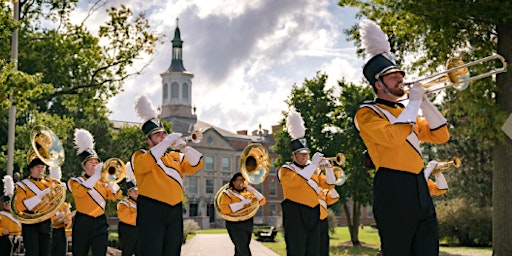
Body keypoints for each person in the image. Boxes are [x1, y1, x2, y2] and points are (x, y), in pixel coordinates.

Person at [354, 20, 450, 256]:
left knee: (428, 251)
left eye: (400, 74)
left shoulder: (406, 113)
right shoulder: (367, 113)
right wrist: (414, 102)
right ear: (378, 84)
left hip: (419, 188)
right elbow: (393, 137)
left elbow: (441, 135)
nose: (400, 79)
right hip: (392, 187)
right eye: (392, 76)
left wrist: (425, 102)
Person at [131, 95, 203, 255]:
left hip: (175, 210)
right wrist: (167, 142)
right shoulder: (140, 155)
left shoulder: (175, 156)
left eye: (164, 134)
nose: (163, 137)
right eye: (157, 135)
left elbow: (197, 163)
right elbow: (145, 163)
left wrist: (185, 149)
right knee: (151, 251)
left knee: (173, 251)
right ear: (148, 140)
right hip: (151, 209)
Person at [68, 128, 122, 256]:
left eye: (96, 163)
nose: (94, 165)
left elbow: (116, 194)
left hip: (100, 221)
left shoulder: (102, 181)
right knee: (79, 252)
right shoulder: (75, 181)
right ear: (83, 165)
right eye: (90, 163)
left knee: (100, 252)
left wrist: (109, 180)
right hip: (83, 221)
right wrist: (97, 176)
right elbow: (80, 192)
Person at [278, 108, 324, 256]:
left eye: (306, 154)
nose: (304, 157)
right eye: (301, 154)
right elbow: (299, 180)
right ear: (293, 155)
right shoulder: (286, 170)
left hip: (314, 211)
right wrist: (314, 164)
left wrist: (328, 169)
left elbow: (328, 184)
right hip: (295, 212)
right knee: (296, 249)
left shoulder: (313, 169)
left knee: (314, 250)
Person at [13, 151, 54, 256]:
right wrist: (39, 197)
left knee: (46, 253)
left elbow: (53, 204)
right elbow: (19, 206)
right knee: (32, 253)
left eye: (43, 167)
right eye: (38, 167)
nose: (41, 170)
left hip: (46, 221)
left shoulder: (49, 184)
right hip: (30, 222)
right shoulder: (23, 185)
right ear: (31, 169)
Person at [218, 172, 266, 256]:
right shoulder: (227, 193)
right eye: (240, 180)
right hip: (234, 225)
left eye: (244, 180)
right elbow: (225, 209)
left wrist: (252, 189)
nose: (242, 182)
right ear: (233, 182)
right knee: (244, 250)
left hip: (248, 223)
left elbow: (262, 201)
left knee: (240, 250)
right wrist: (242, 204)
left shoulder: (248, 193)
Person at [49, 166, 73, 256]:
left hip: (61, 232)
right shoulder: (47, 204)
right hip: (51, 231)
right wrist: (56, 218)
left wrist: (67, 221)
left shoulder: (65, 205)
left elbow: (68, 220)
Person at [317, 162, 340, 256]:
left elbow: (335, 196)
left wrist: (329, 171)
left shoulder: (324, 191)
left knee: (324, 249)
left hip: (322, 221)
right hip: (310, 220)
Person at [117, 162, 138, 256]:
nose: (136, 193)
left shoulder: (145, 203)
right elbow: (129, 219)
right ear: (128, 193)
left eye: (138, 191)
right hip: (128, 232)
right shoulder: (123, 204)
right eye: (134, 191)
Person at [1, 175, 22, 256]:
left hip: (17, 239)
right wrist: (2, 230)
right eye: (7, 203)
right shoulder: (1, 215)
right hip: (4, 239)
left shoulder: (18, 215)